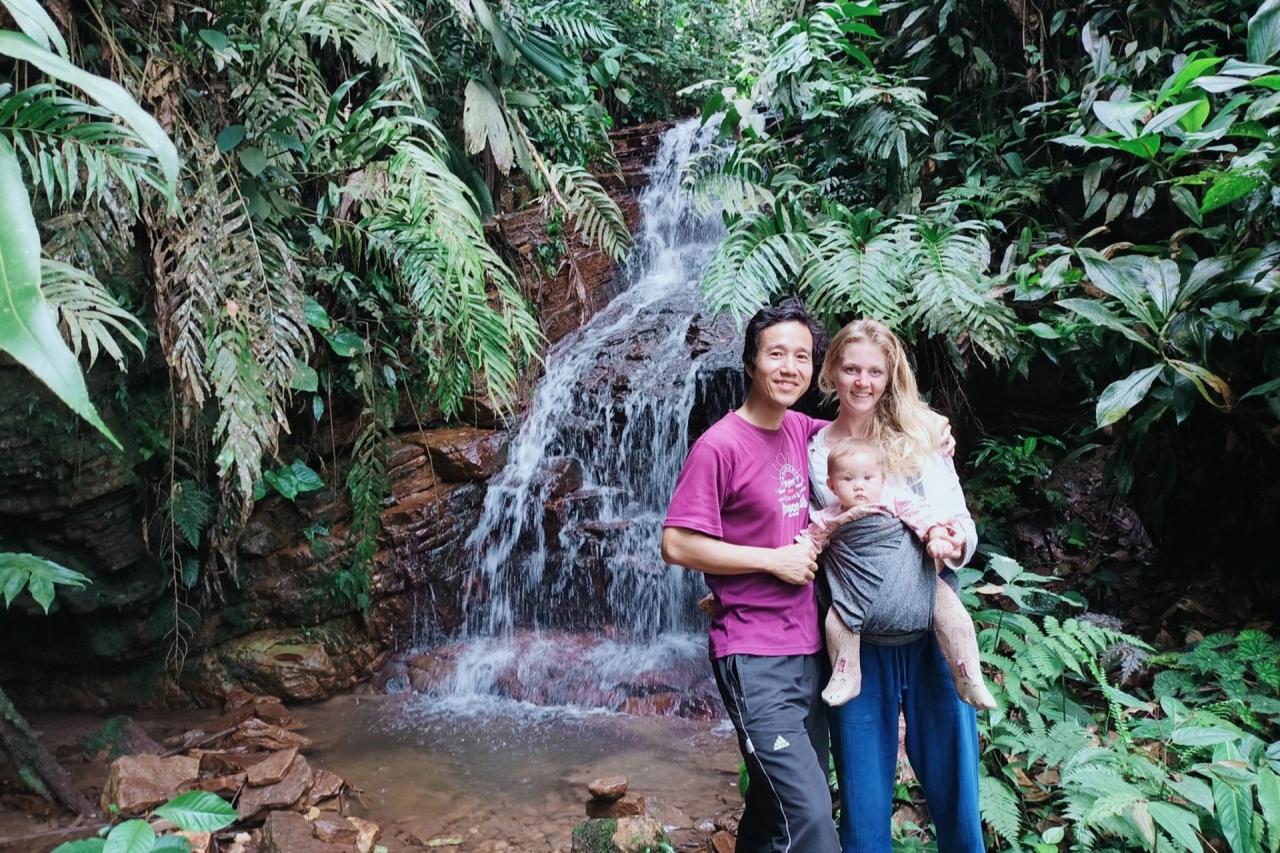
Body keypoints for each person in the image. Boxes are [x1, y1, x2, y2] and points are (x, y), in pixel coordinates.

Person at [661, 298, 840, 853]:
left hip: (810, 651)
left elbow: (869, 427)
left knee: (770, 810)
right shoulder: (719, 445)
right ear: (749, 362)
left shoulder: (803, 431)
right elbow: (675, 543)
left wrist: (933, 428)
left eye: (802, 356)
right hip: (754, 653)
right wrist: (771, 560)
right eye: (776, 353)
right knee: (810, 819)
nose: (789, 367)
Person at [810, 318, 984, 853]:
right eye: (851, 369)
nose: (862, 382)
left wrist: (953, 541)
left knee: (956, 787)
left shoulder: (920, 437)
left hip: (930, 628)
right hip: (861, 638)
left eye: (874, 372)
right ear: (832, 371)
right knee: (863, 804)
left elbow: (960, 519)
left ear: (891, 376)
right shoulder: (815, 449)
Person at [803, 437, 996, 711]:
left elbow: (926, 520)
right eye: (847, 479)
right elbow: (811, 540)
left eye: (868, 477)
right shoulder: (827, 518)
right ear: (832, 486)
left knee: (953, 614)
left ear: (882, 480)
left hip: (917, 581)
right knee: (836, 622)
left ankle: (968, 673)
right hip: (855, 592)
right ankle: (845, 673)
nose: (859, 485)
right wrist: (801, 556)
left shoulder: (897, 503)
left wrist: (937, 538)